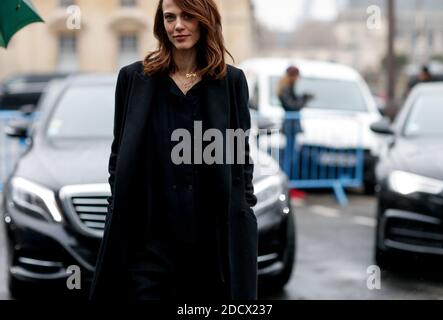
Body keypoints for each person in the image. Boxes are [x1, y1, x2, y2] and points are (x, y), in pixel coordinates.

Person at [89, 0, 258, 301]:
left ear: (204, 20)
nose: (177, 25)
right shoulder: (134, 80)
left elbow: (239, 157)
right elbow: (119, 154)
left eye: (187, 16)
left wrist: (243, 208)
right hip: (149, 247)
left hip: (210, 250)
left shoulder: (230, 82)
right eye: (170, 17)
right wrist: (120, 197)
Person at [277, 66, 313, 174]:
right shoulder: (286, 88)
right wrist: (304, 99)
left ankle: (288, 179)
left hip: (291, 123)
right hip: (290, 124)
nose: (298, 78)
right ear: (293, 76)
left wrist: (302, 98)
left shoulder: (288, 87)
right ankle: (286, 180)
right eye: (297, 76)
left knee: (291, 153)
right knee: (289, 154)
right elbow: (291, 105)